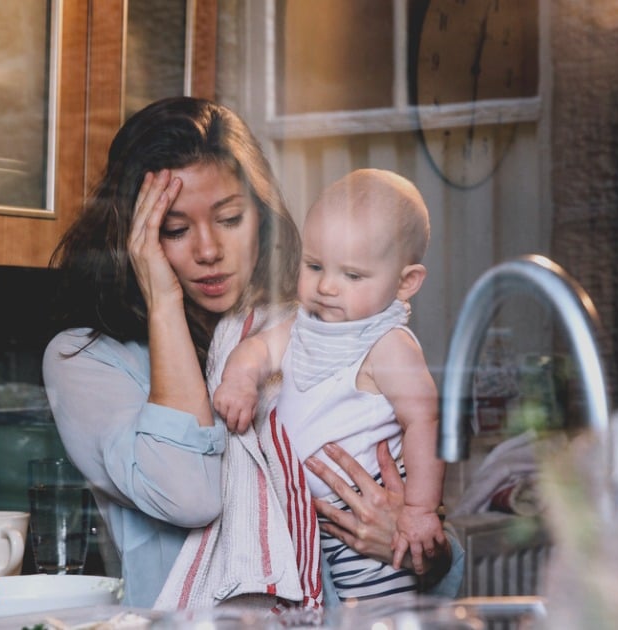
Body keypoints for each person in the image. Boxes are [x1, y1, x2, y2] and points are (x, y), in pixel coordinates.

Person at [41, 97, 462, 614]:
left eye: (230, 218)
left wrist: (418, 548)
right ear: (135, 236)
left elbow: (435, 549)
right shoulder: (87, 361)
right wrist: (164, 300)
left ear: (260, 219)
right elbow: (190, 494)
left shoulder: (313, 329)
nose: (209, 249)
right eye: (174, 230)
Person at [212, 168, 445, 603]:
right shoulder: (305, 326)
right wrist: (240, 380)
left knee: (376, 614)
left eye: (353, 276)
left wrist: (418, 510)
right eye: (315, 266)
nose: (325, 286)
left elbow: (425, 421)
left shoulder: (387, 344)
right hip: (310, 520)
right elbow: (259, 350)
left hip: (366, 515)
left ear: (405, 282)